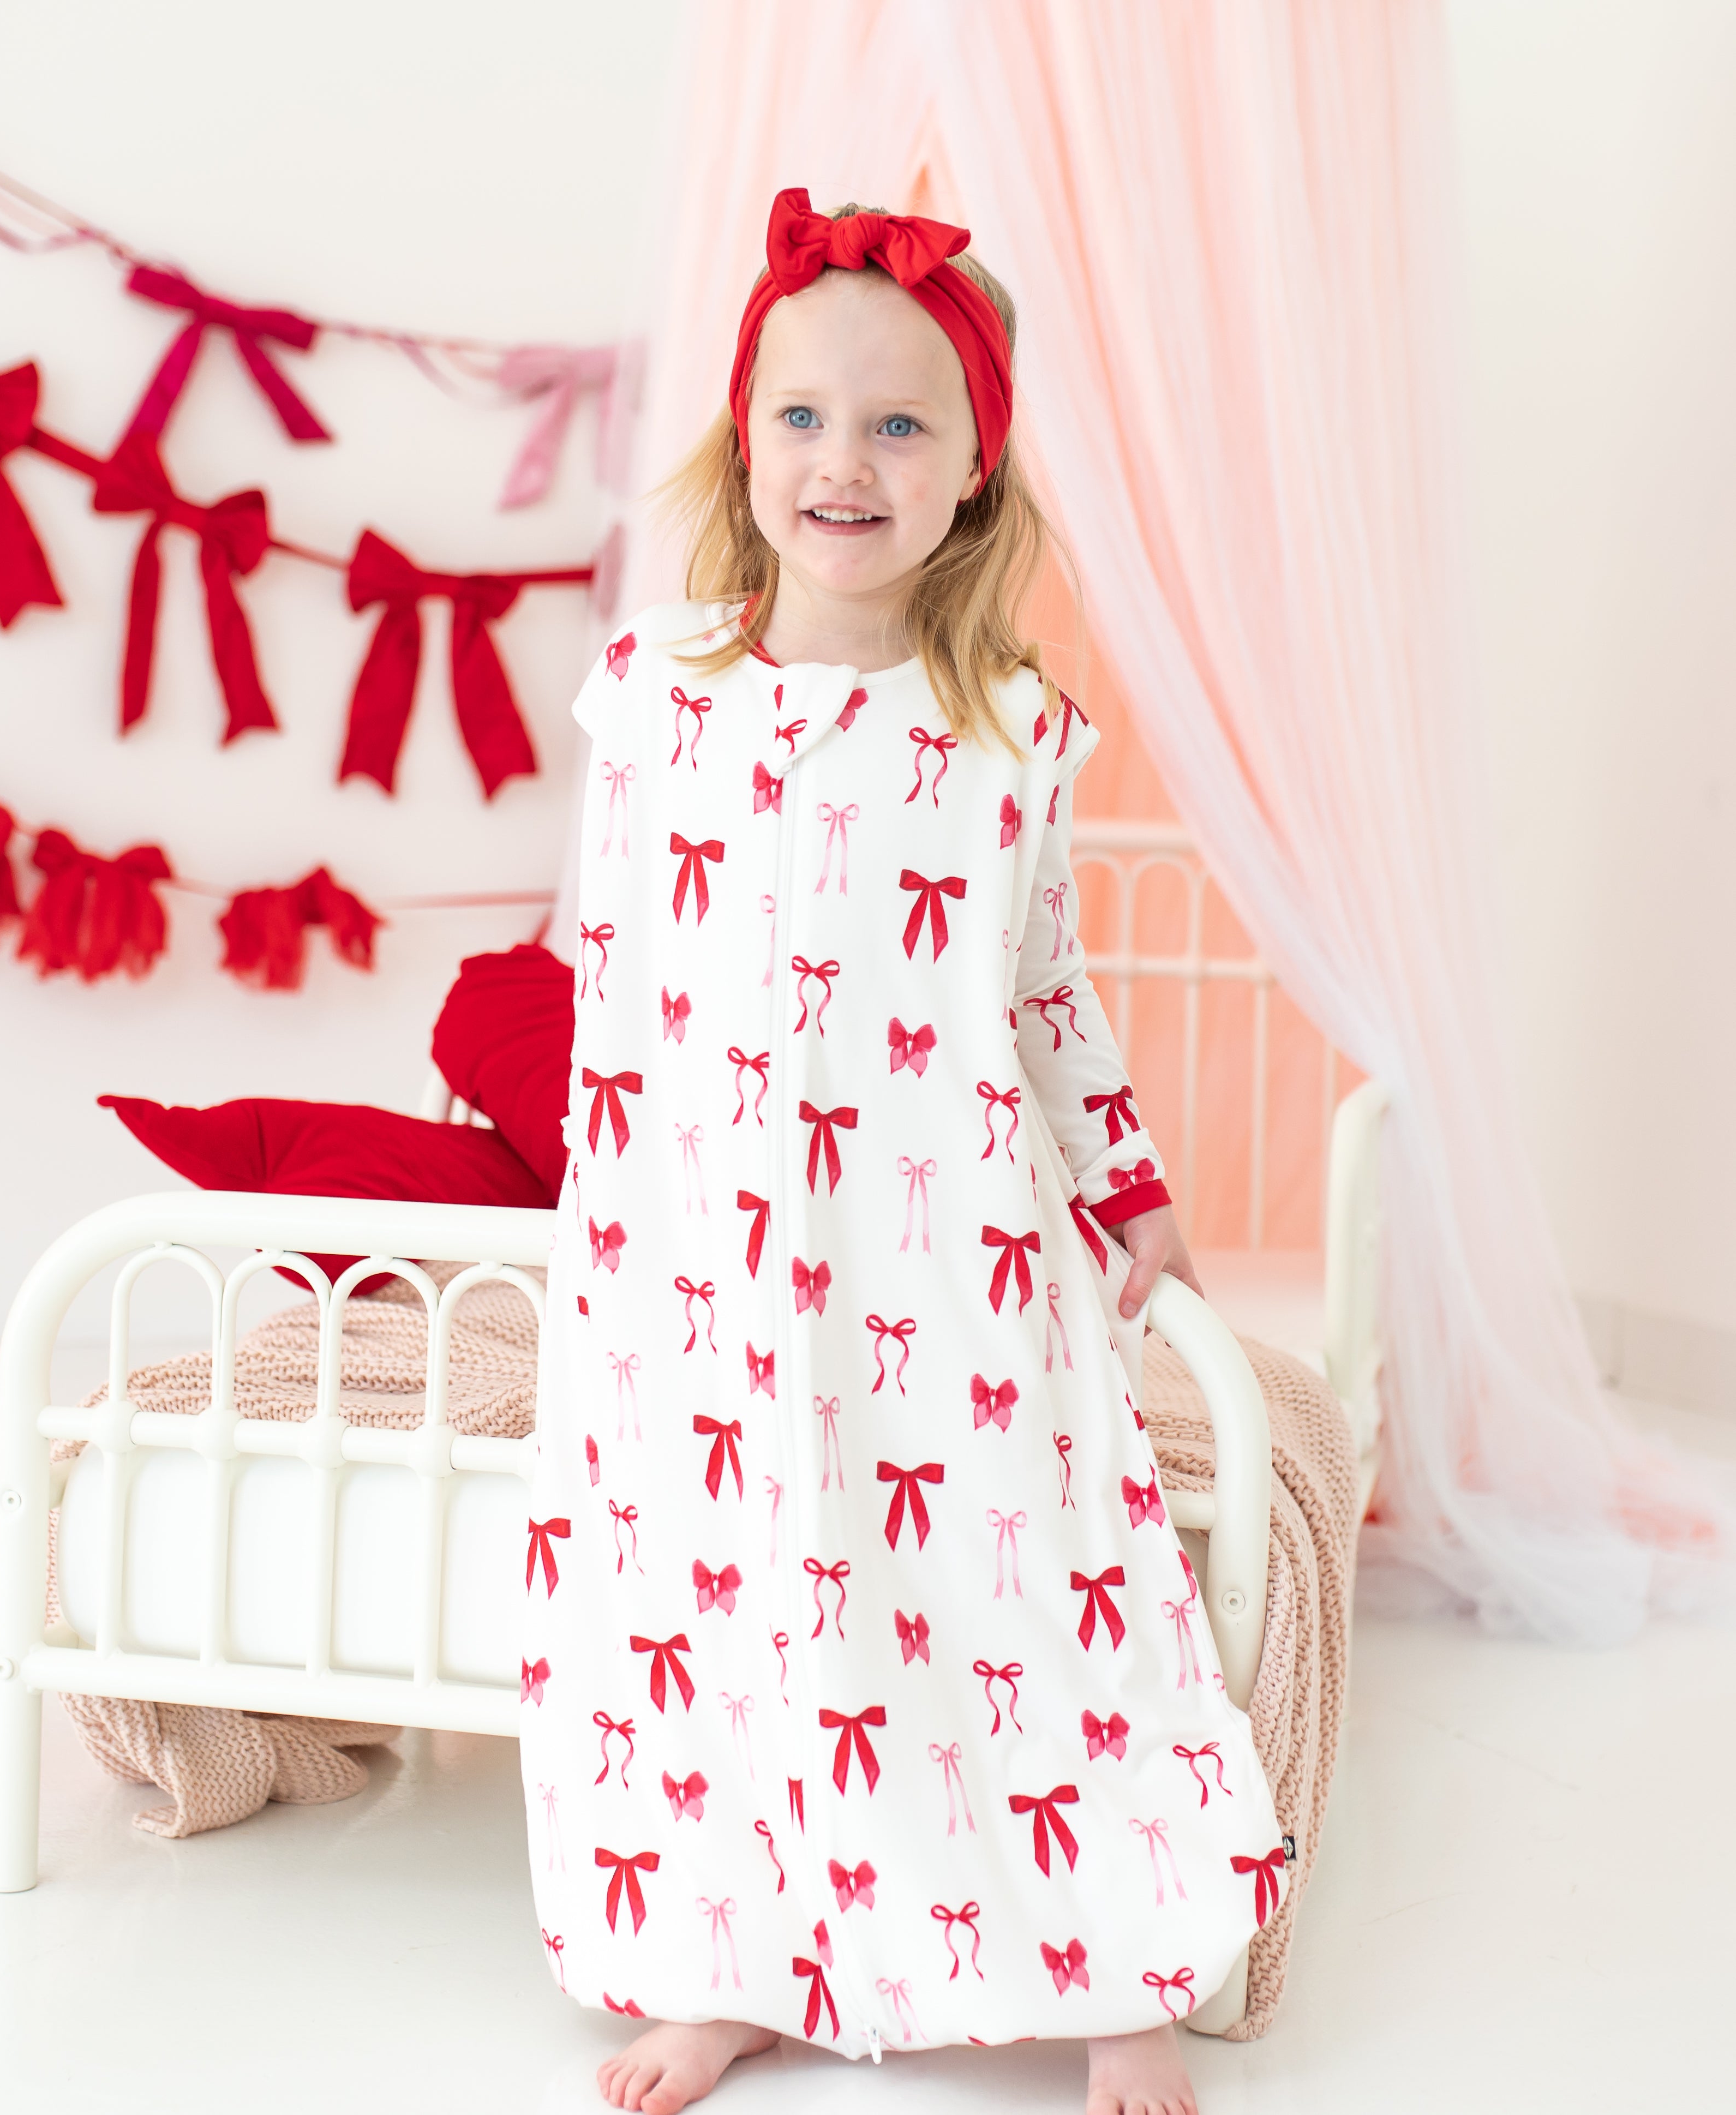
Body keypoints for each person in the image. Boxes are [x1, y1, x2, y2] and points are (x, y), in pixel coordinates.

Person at [519, 189, 1280, 2115]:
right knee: (718, 1589)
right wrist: (611, 1219)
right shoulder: (657, 693)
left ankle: (1124, 1968)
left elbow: (1045, 999)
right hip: (697, 1258)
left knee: (1008, 1584)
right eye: (800, 417)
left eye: (898, 423)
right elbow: (609, 970)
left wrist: (1131, 1190)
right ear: (743, 436)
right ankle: (728, 1955)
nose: (840, 462)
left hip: (929, 1260)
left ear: (974, 468)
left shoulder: (1005, 735)